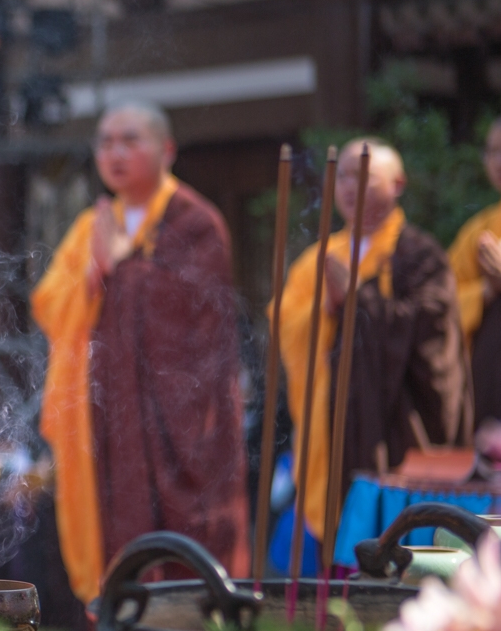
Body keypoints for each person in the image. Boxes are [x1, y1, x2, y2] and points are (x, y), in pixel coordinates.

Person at [31, 101, 247, 603]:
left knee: (185, 556)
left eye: (130, 140)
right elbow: (49, 302)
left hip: (181, 424)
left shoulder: (196, 223)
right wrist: (96, 274)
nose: (115, 153)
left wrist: (123, 271)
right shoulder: (91, 226)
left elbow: (198, 320)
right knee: (116, 536)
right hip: (110, 416)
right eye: (105, 142)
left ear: (166, 149)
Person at [277, 139, 470, 561]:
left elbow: (434, 337)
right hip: (331, 427)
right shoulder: (316, 260)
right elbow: (287, 329)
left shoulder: (420, 255)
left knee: (395, 550)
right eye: (343, 176)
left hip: (394, 430)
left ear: (398, 184)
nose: (351, 186)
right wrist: (329, 308)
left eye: (365, 176)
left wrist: (359, 302)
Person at [449, 119, 501, 429]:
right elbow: (443, 303)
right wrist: (485, 291)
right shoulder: (477, 232)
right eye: (493, 151)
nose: (499, 161)